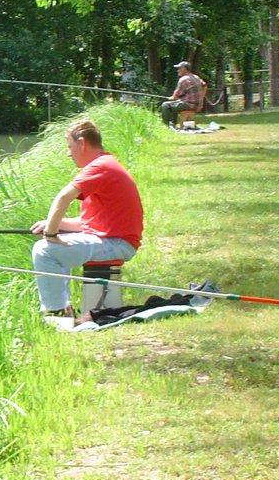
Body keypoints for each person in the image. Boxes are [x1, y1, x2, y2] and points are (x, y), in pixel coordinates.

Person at [30, 120, 144, 318]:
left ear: (82, 143)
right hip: (115, 240)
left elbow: (63, 197)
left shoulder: (100, 167)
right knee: (55, 247)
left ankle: (57, 313)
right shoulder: (105, 164)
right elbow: (90, 223)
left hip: (118, 244)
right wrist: (54, 225)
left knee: (45, 251)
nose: (68, 153)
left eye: (70, 147)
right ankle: (65, 310)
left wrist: (51, 232)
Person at [161, 61, 205, 127]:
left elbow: (175, 96)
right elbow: (204, 85)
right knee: (174, 104)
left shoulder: (183, 79)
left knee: (165, 105)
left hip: (190, 105)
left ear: (184, 69)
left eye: (179, 68)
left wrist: (172, 97)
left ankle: (167, 126)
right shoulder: (196, 77)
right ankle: (173, 124)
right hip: (198, 105)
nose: (178, 70)